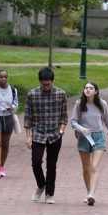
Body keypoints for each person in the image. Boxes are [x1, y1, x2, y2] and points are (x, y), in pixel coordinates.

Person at [24, 67, 68, 204]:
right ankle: (41, 184)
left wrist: (61, 130)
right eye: (43, 84)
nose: (46, 86)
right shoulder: (32, 94)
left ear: (52, 81)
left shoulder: (61, 94)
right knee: (36, 162)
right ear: (40, 82)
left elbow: (64, 116)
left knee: (51, 165)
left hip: (55, 134)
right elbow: (28, 117)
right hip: (38, 133)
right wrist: (28, 136)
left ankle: (49, 193)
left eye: (48, 84)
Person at [70, 82, 108, 206]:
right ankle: (89, 191)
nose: (88, 90)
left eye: (91, 88)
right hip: (84, 137)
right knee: (86, 168)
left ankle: (92, 194)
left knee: (94, 167)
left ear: (96, 91)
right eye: (86, 88)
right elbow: (73, 122)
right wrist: (81, 129)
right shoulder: (79, 104)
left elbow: (107, 119)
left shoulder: (102, 104)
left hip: (98, 137)